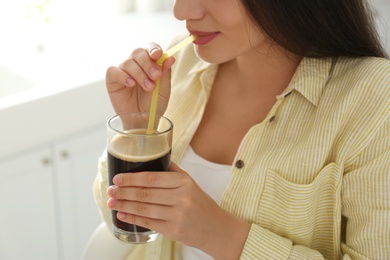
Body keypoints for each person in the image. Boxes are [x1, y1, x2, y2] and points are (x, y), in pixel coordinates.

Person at [93, 0, 390, 259]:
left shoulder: (374, 97)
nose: (181, 11)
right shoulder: (180, 62)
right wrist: (140, 131)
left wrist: (216, 232)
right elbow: (121, 225)